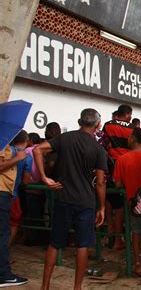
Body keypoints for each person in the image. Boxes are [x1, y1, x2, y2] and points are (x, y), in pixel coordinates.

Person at [33, 109, 108, 290]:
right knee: (82, 246)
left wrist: (44, 177)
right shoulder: (98, 149)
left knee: (55, 243)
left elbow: (37, 149)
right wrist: (102, 207)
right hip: (86, 201)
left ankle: (44, 286)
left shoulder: (65, 138)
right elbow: (100, 182)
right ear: (98, 126)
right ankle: (77, 287)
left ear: (79, 121)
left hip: (63, 197)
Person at [113, 127, 141, 280]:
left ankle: (137, 262)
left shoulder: (122, 159)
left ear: (132, 139)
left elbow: (117, 184)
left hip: (134, 203)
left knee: (136, 233)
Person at [102, 104, 134, 250]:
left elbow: (104, 144)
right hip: (125, 165)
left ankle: (110, 232)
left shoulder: (108, 125)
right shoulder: (132, 128)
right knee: (121, 203)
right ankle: (117, 240)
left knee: (109, 198)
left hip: (109, 165)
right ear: (127, 114)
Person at [0, 139, 29, 287]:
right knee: (2, 234)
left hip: (4, 192)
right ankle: (3, 275)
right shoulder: (1, 142)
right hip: (1, 191)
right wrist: (18, 158)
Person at [9, 131, 32, 247]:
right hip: (13, 194)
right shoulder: (26, 157)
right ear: (27, 141)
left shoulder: (7, 150)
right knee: (13, 223)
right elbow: (25, 181)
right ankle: (4, 252)